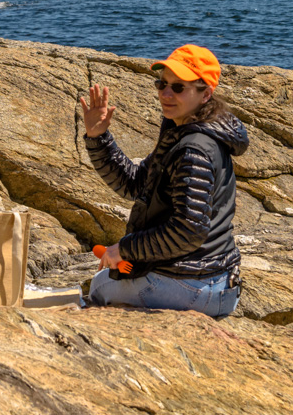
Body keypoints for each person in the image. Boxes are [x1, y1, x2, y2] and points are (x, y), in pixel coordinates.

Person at [80, 44, 249, 317]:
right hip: (209, 281)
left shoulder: (194, 149)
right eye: (162, 84)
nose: (166, 94)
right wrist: (98, 138)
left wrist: (124, 249)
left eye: (179, 88)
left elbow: (189, 230)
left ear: (206, 94)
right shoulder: (181, 131)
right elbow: (135, 184)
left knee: (100, 287)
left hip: (199, 285)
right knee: (104, 280)